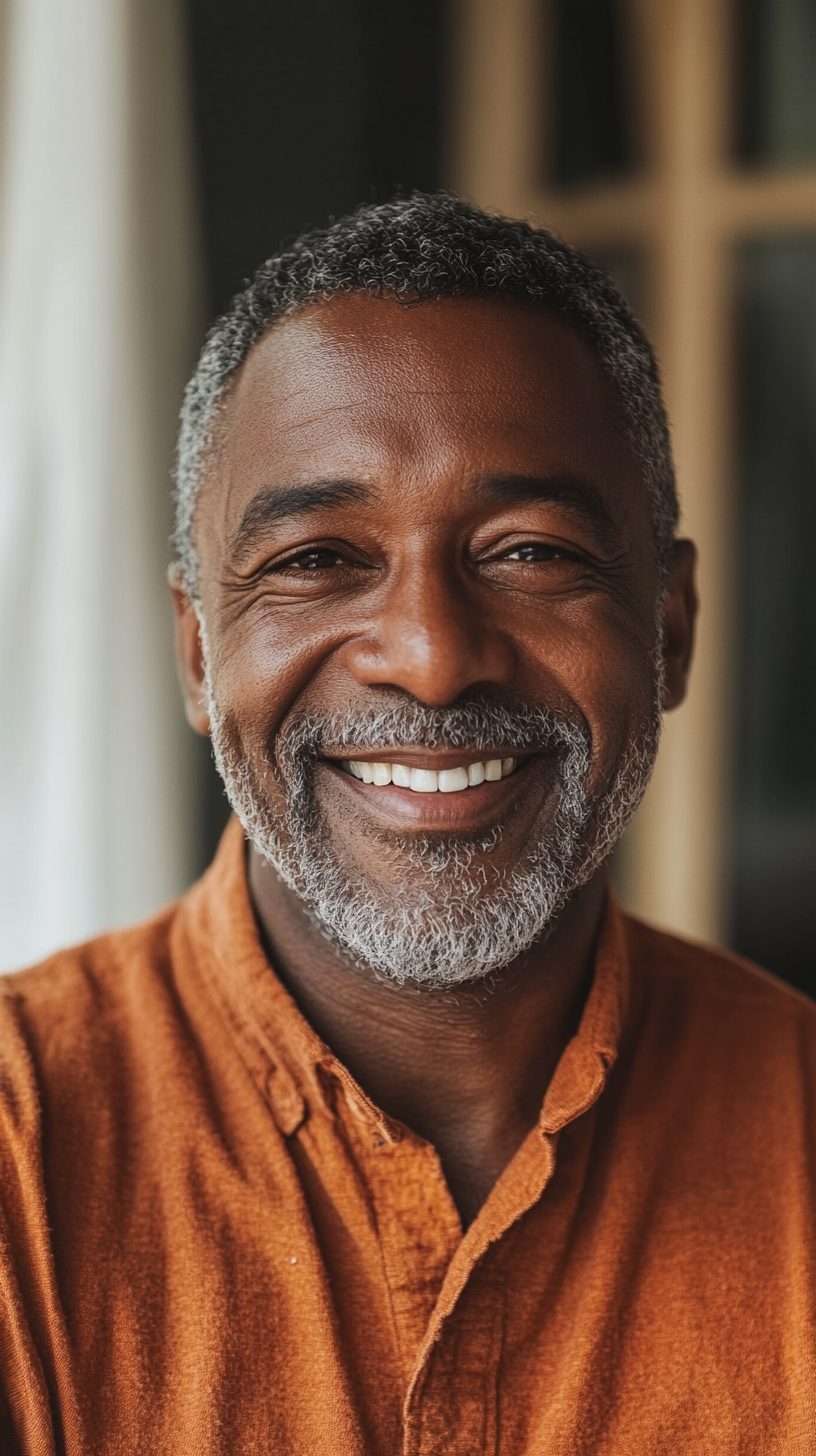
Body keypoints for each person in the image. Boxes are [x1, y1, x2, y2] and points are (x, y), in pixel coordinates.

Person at [1, 194, 814, 1455]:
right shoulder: (21, 1153)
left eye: (532, 552)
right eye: (320, 558)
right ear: (198, 653)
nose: (433, 660)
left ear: (670, 628)